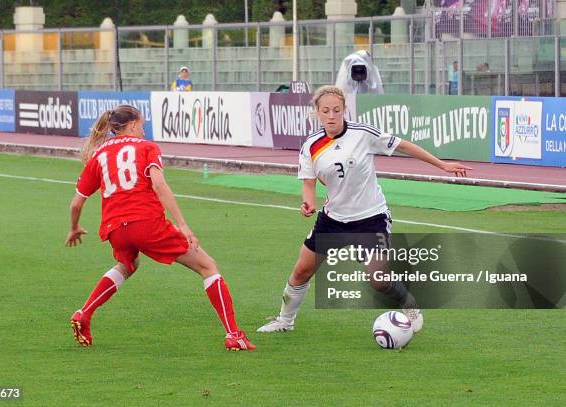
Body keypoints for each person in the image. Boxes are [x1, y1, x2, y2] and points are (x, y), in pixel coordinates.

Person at [257, 85, 472, 334]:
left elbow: (403, 146)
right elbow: (308, 182)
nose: (331, 115)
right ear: (317, 112)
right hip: (333, 220)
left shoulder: (362, 134)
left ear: (344, 109)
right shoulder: (311, 146)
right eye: (325, 110)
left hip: (371, 218)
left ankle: (409, 303)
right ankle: (285, 321)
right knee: (302, 270)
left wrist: (441, 165)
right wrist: (308, 202)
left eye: (336, 110)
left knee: (378, 280)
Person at [66, 104, 255, 351]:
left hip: (115, 228)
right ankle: (234, 334)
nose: (143, 131)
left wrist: (74, 228)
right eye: (142, 125)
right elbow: (159, 185)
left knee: (127, 264)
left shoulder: (99, 155)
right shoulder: (146, 147)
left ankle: (85, 313)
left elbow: (77, 203)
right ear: (132, 125)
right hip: (146, 223)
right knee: (208, 266)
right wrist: (183, 226)